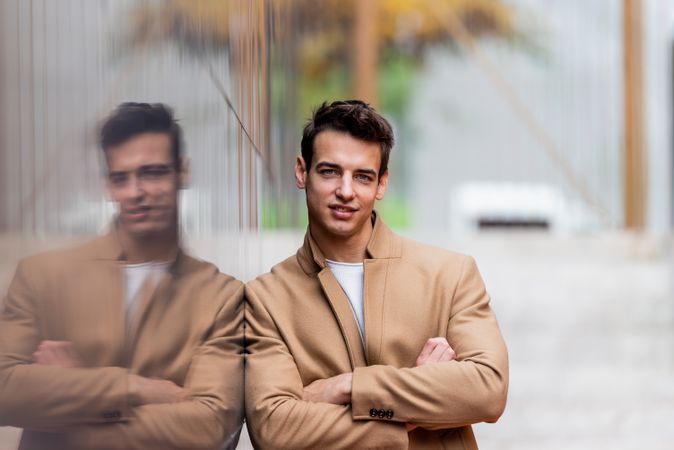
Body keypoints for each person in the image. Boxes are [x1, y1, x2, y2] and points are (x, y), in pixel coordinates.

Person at [244, 100, 508, 449]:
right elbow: (276, 430)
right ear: (301, 171)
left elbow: (488, 391)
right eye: (329, 172)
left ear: (382, 184)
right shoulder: (264, 300)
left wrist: (349, 387)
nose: (346, 191)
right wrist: (415, 399)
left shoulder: (451, 275)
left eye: (363, 176)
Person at [0, 103, 244, 450]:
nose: (135, 192)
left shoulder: (222, 297)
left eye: (153, 173)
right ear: (107, 185)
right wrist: (136, 388)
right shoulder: (42, 277)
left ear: (182, 172)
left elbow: (208, 428)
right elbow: (5, 394)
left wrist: (69, 400)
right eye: (121, 178)